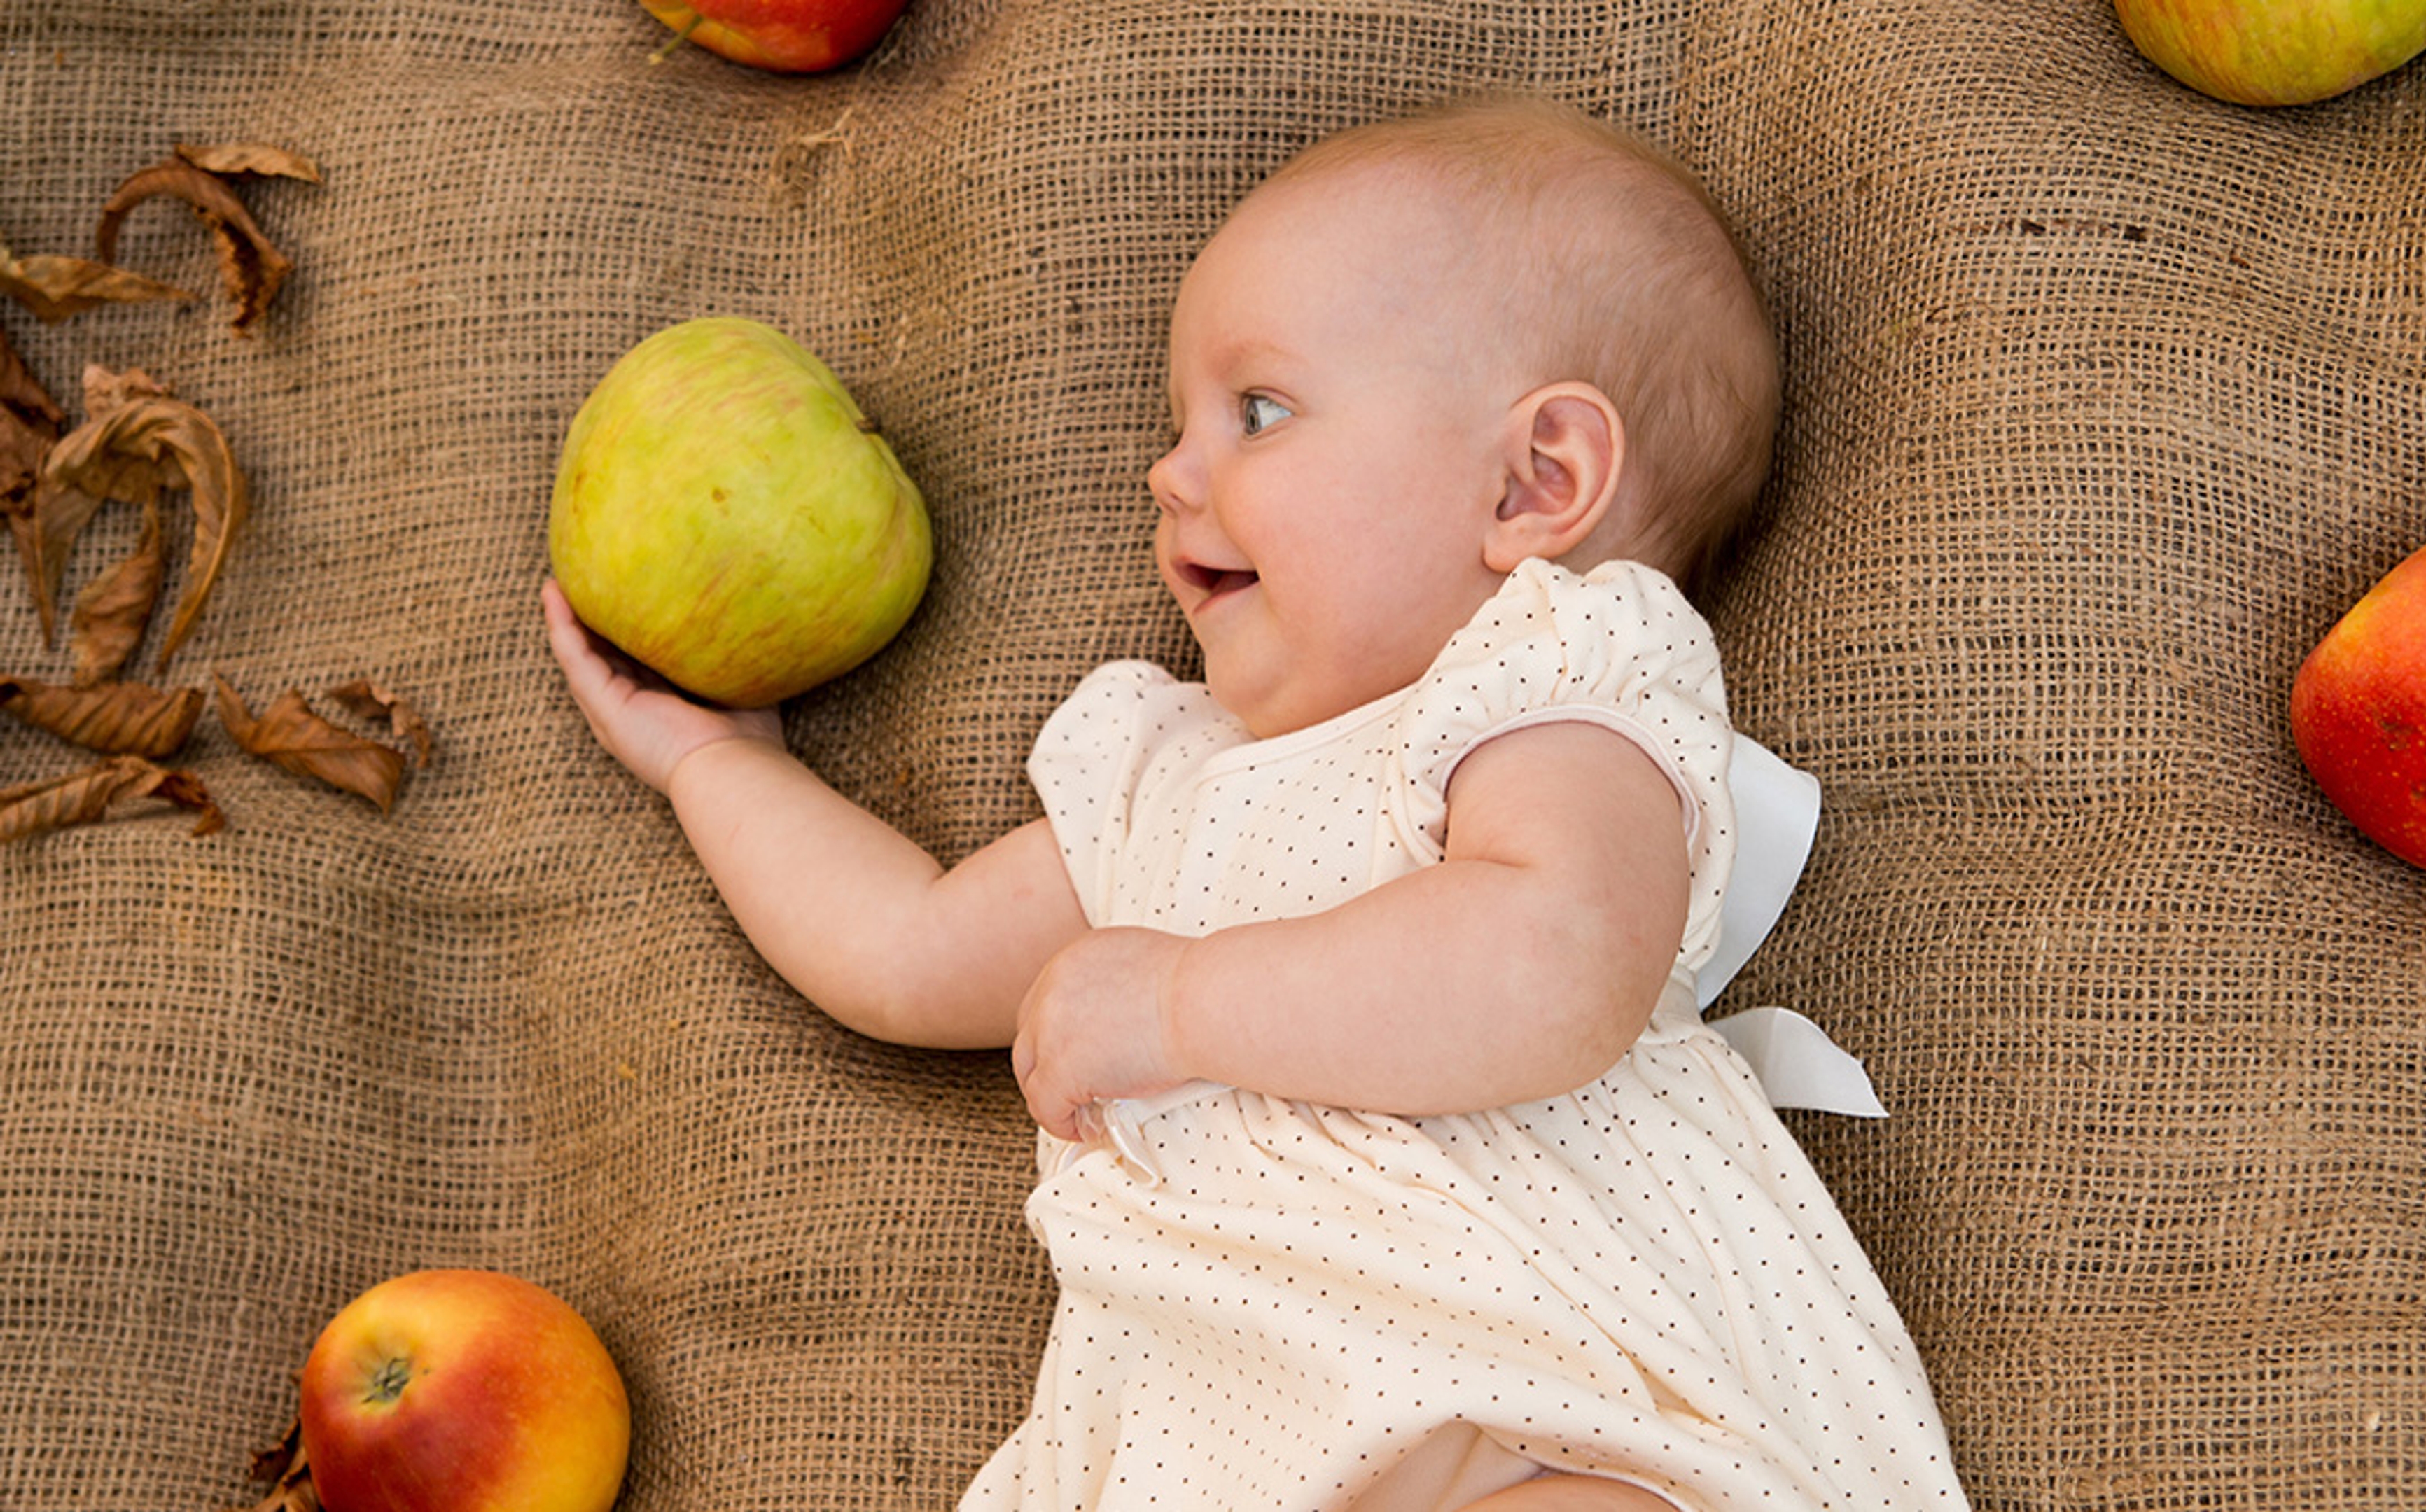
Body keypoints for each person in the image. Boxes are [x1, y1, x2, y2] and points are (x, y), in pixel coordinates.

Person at [544, 94, 1965, 1512]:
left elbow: (1559, 960)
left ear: (1536, 485)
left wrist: (1177, 1007)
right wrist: (719, 768)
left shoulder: (1542, 692)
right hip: (1204, 1443)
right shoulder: (1164, 782)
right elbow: (906, 949)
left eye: (1260, 411)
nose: (1173, 474)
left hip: (1542, 1408)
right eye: (1185, 424)